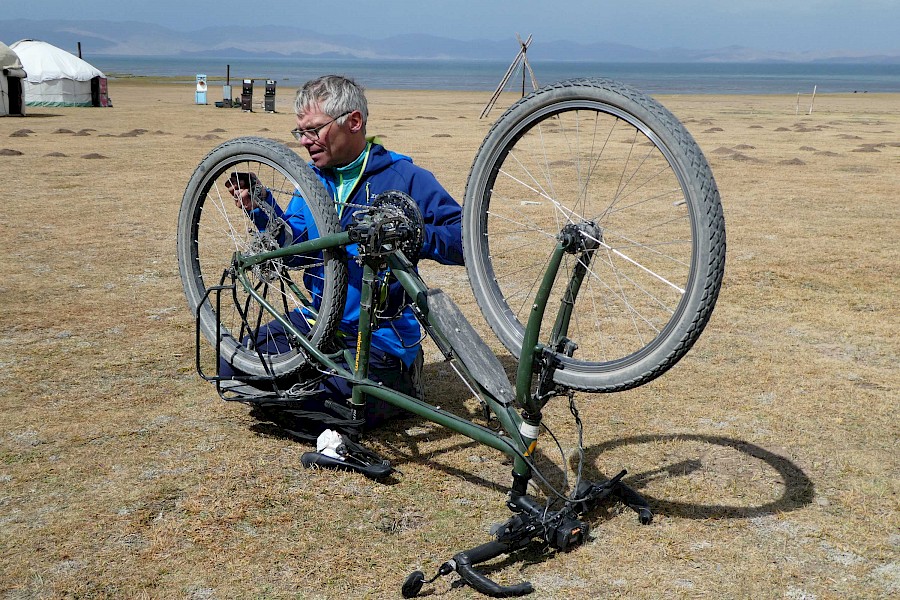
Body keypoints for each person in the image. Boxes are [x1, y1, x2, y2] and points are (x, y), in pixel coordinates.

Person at [220, 75, 464, 430]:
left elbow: (463, 241)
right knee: (230, 364)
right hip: (317, 323)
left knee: (344, 404)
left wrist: (411, 234)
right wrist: (261, 208)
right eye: (300, 131)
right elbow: (294, 251)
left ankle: (394, 382)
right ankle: (313, 392)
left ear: (354, 121)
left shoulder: (405, 177)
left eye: (313, 130)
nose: (304, 141)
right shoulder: (312, 181)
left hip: (379, 337)